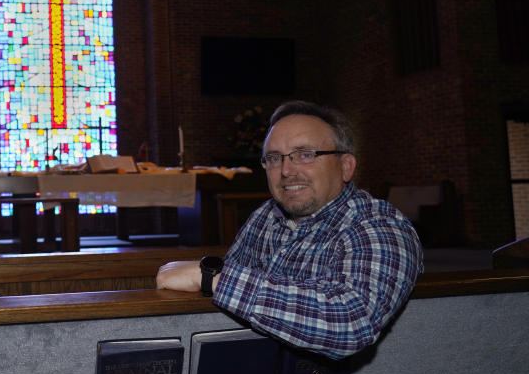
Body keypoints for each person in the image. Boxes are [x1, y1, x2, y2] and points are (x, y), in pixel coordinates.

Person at [157, 100, 422, 359]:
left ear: (345, 166)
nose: (285, 170)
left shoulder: (380, 226)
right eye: (273, 158)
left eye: (305, 155)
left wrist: (213, 278)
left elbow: (350, 324)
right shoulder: (265, 216)